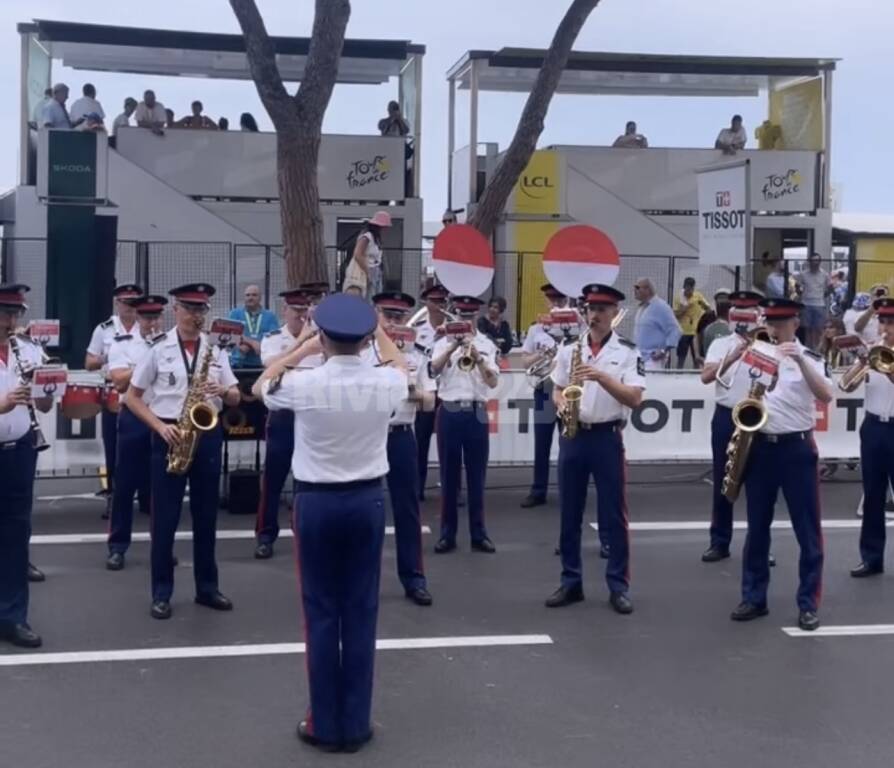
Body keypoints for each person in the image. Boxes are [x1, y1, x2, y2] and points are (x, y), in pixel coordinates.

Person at [254, 292, 408, 753]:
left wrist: (302, 350)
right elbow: (401, 365)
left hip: (317, 504)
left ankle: (324, 722)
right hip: (366, 502)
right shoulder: (385, 383)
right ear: (366, 340)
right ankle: (356, 723)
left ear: (323, 336)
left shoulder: (304, 384)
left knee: (321, 614)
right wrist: (377, 328)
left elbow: (263, 385)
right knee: (361, 613)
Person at [126, 283, 241, 620]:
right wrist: (160, 428)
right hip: (169, 432)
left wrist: (224, 389)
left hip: (206, 434)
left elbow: (234, 396)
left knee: (207, 517)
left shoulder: (215, 350)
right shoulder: (158, 349)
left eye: (201, 309)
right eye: (189, 308)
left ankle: (207, 587)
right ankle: (161, 592)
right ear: (176, 309)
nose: (196, 315)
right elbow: (131, 398)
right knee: (165, 519)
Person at [731, 297, 832, 632]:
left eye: (780, 322)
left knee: (808, 530)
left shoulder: (812, 358)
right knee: (757, 528)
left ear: (795, 323)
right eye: (770, 322)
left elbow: (826, 395)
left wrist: (800, 360)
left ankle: (808, 603)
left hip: (796, 450)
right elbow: (739, 391)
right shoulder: (758, 352)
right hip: (761, 446)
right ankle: (754, 597)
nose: (773, 329)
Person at [545, 284, 645, 614]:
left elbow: (634, 398)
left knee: (614, 515)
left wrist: (601, 377)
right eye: (591, 309)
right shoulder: (569, 348)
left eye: (603, 309)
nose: (596, 315)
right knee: (569, 514)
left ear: (615, 314)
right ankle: (570, 581)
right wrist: (561, 405)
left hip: (606, 436)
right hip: (574, 435)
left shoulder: (628, 352)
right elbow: (558, 388)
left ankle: (618, 585)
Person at [361, 291, 436, 606]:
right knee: (365, 510)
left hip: (401, 434)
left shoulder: (417, 354)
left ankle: (414, 578)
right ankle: (364, 581)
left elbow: (431, 401)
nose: (393, 321)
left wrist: (408, 386)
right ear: (376, 315)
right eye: (387, 315)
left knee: (407, 510)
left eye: (399, 316)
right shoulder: (361, 352)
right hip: (368, 434)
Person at [0, 284, 52, 648]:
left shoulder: (29, 350)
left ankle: (13, 616)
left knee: (16, 536)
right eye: (4, 313)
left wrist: (46, 393)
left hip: (19, 450)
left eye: (15, 314)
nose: (10, 321)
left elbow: (47, 406)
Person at [253, 289, 322, 560]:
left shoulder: (321, 339)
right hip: (282, 415)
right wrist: (303, 343)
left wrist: (313, 339)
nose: (301, 316)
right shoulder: (273, 338)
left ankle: (303, 532)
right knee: (273, 480)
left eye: (305, 310)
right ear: (285, 311)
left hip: (310, 416)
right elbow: (271, 364)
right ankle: (265, 535)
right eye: (296, 311)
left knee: (308, 479)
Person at [430, 295, 500, 553]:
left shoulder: (486, 344)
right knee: (449, 476)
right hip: (449, 410)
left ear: (476, 317)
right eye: (461, 315)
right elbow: (433, 370)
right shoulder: (442, 341)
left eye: (469, 316)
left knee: (476, 476)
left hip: (477, 411)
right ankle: (447, 534)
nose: (465, 320)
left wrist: (478, 357)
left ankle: (478, 534)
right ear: (455, 315)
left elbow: (493, 383)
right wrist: (451, 347)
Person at [700, 291, 765, 562]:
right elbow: (705, 377)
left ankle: (761, 545)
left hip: (758, 415)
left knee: (761, 486)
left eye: (749, 311)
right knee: (723, 479)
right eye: (739, 311)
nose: (744, 317)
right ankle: (720, 541)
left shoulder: (766, 344)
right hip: (727, 415)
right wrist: (735, 354)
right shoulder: (721, 343)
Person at [105, 294, 168, 571]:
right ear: (138, 318)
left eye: (156, 317)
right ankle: (118, 546)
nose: (151, 322)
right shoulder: (123, 343)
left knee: (162, 487)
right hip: (133, 416)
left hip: (163, 414)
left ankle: (162, 547)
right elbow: (118, 381)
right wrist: (146, 359)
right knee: (125, 485)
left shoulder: (171, 343)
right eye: (146, 317)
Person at [86, 284, 143, 518]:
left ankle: (148, 496)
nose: (129, 308)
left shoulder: (148, 325)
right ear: (117, 304)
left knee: (146, 447)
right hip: (113, 391)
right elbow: (89, 363)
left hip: (142, 393)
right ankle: (114, 497)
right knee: (114, 448)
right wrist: (111, 356)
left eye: (133, 303)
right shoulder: (105, 329)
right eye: (125, 303)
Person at [848, 297, 894, 578]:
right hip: (874, 427)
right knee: (873, 495)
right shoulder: (872, 352)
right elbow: (848, 385)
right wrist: (862, 362)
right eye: (884, 322)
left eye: (891, 322)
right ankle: (871, 558)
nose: (886, 328)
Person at [519, 284, 575, 508]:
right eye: (552, 299)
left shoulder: (578, 328)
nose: (556, 303)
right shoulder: (536, 329)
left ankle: (569, 489)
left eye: (560, 299)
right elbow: (524, 361)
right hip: (544, 389)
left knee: (568, 444)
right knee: (541, 444)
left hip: (568, 391)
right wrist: (543, 353)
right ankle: (538, 490)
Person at [412, 283, 449, 501]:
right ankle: (418, 486)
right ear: (426, 302)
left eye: (442, 301)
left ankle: (450, 486)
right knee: (421, 440)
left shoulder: (454, 328)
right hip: (426, 389)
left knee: (449, 443)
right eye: (434, 301)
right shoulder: (416, 329)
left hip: (447, 390)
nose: (439, 305)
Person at [633, 278, 681, 370]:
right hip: (639, 359)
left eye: (637, 287)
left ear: (647, 289)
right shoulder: (642, 308)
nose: (634, 290)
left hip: (653, 360)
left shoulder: (660, 306)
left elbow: (676, 330)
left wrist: (663, 351)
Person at [228, 284, 279, 369]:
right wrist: (252, 343)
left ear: (260, 298)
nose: (250, 298)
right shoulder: (234, 314)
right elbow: (229, 334)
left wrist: (255, 344)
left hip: (262, 365)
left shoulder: (270, 316)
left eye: (254, 295)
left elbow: (273, 339)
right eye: (247, 295)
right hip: (238, 364)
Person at [343, 212, 392, 297]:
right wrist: (368, 272)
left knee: (374, 297)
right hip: (364, 271)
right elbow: (357, 254)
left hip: (375, 270)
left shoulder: (376, 238)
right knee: (367, 297)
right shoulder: (367, 236)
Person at [794, 253, 830, 350]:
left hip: (819, 304)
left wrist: (822, 296)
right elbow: (797, 287)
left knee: (818, 329)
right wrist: (801, 293)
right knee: (807, 329)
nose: (815, 263)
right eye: (813, 261)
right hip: (806, 304)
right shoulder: (803, 274)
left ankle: (817, 350)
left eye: (817, 260)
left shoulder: (825, 275)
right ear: (809, 262)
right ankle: (808, 350)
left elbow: (829, 288)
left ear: (820, 262)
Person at [673, 277, 711, 368]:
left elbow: (709, 310)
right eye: (687, 289)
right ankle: (678, 375)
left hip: (696, 333)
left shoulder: (698, 296)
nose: (688, 292)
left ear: (693, 288)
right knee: (681, 357)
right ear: (684, 287)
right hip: (683, 332)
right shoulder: (679, 298)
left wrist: (703, 305)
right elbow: (675, 314)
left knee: (697, 358)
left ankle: (697, 376)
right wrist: (684, 308)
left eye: (690, 289)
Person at [700, 289, 733, 357]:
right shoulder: (708, 317)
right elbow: (697, 333)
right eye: (720, 299)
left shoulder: (734, 322)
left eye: (724, 299)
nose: (721, 302)